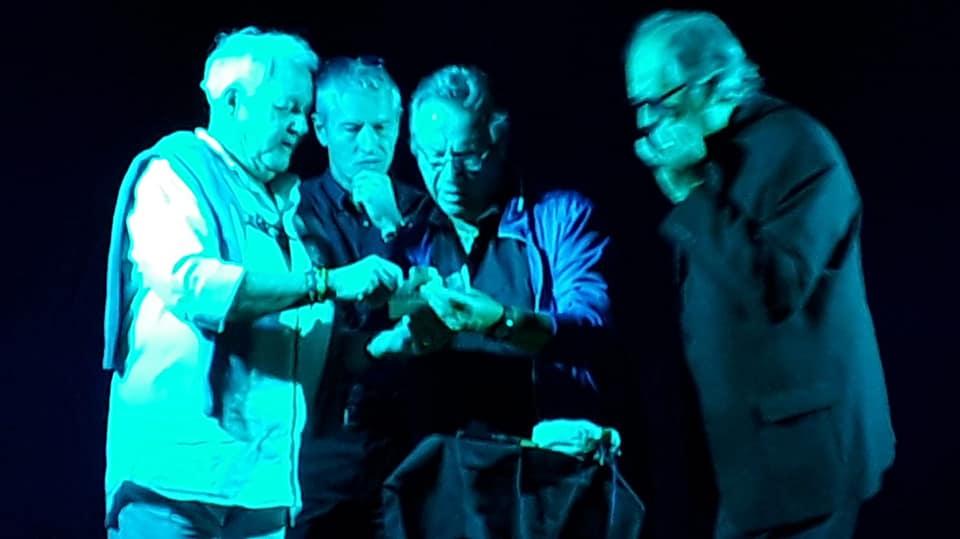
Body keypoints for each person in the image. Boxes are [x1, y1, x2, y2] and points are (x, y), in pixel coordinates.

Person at [102, 29, 402, 538]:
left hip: (262, 487)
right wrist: (327, 282)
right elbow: (197, 287)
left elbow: (290, 335)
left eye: (302, 112)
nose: (299, 127)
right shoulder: (175, 172)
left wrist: (380, 346)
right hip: (177, 483)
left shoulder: (281, 204)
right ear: (232, 101)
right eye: (286, 108)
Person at [623, 10, 895, 538]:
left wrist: (691, 191)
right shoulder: (716, 152)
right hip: (748, 464)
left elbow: (777, 287)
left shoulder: (800, 148)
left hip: (808, 461)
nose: (646, 124)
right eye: (638, 105)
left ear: (711, 83)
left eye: (659, 101)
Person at [386, 64, 614, 440]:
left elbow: (591, 328)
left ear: (500, 144)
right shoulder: (409, 238)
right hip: (441, 457)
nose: (451, 176)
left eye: (468, 155)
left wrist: (501, 322)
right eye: (434, 157)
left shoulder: (561, 217)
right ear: (412, 147)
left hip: (542, 456)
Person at [290, 56, 433, 539]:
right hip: (322, 441)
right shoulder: (295, 209)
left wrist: (393, 226)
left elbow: (431, 307)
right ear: (321, 129)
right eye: (352, 129)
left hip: (407, 440)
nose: (370, 145)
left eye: (382, 127)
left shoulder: (422, 211)